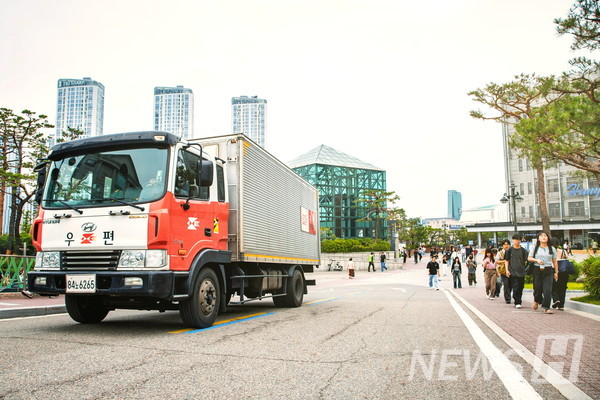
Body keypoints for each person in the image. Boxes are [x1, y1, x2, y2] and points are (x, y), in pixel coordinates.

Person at [529, 231, 559, 314]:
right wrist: (537, 260)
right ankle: (537, 300)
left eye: (545, 236)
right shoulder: (534, 247)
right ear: (538, 238)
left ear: (548, 238)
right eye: (541, 236)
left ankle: (546, 307)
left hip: (548, 270)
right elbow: (529, 258)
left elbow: (555, 261)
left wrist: (556, 272)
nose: (543, 237)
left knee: (547, 289)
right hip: (537, 269)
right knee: (537, 288)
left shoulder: (551, 248)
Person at [504, 234, 528, 309]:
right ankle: (517, 302)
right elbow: (506, 261)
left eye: (518, 240)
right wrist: (507, 270)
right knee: (515, 286)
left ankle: (518, 299)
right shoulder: (509, 250)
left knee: (520, 287)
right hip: (512, 271)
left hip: (521, 271)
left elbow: (526, 261)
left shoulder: (523, 251)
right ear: (512, 240)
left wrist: (525, 269)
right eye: (515, 239)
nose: (517, 241)